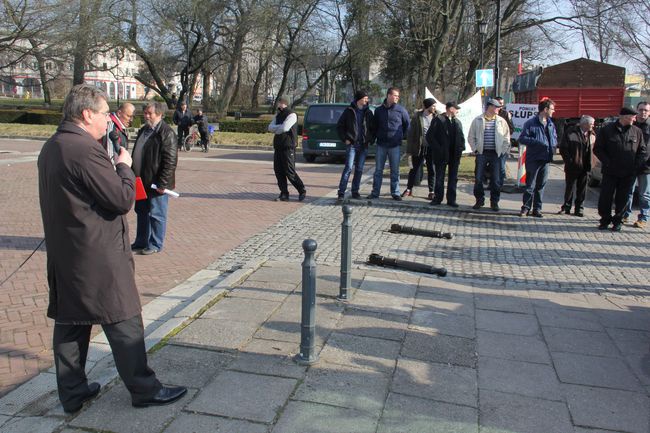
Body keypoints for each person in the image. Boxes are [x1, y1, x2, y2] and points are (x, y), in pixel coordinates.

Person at [37, 84, 186, 414]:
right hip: (97, 255)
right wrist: (122, 164)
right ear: (87, 113)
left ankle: (73, 392)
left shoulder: (52, 146)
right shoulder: (83, 149)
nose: (109, 121)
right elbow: (121, 199)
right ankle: (144, 388)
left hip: (67, 254)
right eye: (105, 114)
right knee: (124, 320)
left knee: (71, 324)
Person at [131, 101, 178, 254]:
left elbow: (170, 161)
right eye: (145, 113)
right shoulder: (144, 130)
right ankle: (141, 240)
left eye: (149, 113)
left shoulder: (166, 133)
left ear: (159, 114)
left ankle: (156, 243)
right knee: (141, 211)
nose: (146, 116)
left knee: (157, 213)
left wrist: (162, 183)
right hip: (141, 180)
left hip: (155, 182)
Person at [594, 106, 647, 232]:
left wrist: (636, 166)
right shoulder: (607, 130)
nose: (634, 119)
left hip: (628, 173)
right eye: (632, 117)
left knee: (623, 199)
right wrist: (607, 162)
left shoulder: (637, 131)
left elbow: (642, 151)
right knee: (606, 197)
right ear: (624, 117)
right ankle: (605, 220)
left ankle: (618, 221)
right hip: (610, 171)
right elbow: (598, 149)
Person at [467, 99, 511, 211]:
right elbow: (471, 136)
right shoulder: (478, 120)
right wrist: (475, 149)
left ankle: (494, 202)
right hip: (482, 153)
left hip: (496, 154)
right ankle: (479, 200)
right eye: (497, 106)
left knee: (496, 179)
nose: (499, 109)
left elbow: (506, 137)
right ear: (490, 107)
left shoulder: (501, 121)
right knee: (478, 178)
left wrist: (503, 150)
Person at [368, 87, 410, 200]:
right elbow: (374, 126)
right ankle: (375, 192)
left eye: (398, 96)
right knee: (378, 170)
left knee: (395, 171)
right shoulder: (378, 110)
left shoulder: (401, 110)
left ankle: (395, 193)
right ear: (388, 96)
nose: (397, 98)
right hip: (381, 144)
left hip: (395, 145)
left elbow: (407, 125)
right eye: (395, 95)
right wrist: (374, 137)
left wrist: (401, 137)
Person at [518, 98, 558, 217]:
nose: (553, 111)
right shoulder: (531, 123)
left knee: (541, 185)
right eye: (552, 109)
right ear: (545, 109)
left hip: (546, 159)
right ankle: (525, 208)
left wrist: (553, 146)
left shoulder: (551, 123)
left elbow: (554, 137)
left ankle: (537, 209)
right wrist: (538, 141)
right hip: (534, 159)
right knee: (530, 185)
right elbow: (522, 138)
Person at [336, 89, 374, 201]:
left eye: (367, 98)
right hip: (352, 144)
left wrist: (370, 139)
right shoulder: (349, 111)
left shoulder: (368, 112)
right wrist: (345, 139)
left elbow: (373, 128)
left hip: (363, 145)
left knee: (359, 169)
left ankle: (355, 191)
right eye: (365, 98)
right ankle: (341, 192)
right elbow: (339, 126)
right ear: (359, 99)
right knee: (348, 167)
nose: (367, 100)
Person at [426, 101, 465, 207]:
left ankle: (451, 199)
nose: (457, 111)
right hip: (441, 154)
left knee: (453, 178)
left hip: (454, 154)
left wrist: (461, 149)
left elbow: (461, 138)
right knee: (440, 177)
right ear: (450, 109)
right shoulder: (438, 120)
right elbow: (430, 136)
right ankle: (438, 198)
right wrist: (438, 149)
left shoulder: (457, 122)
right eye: (456, 108)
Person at [268, 97, 306, 201]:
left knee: (289, 171)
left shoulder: (292, 114)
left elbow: (285, 128)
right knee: (278, 171)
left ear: (282, 103)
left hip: (288, 147)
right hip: (278, 146)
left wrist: (277, 128)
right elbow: (270, 127)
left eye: (278, 102)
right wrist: (278, 128)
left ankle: (301, 189)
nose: (277, 105)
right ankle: (284, 193)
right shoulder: (278, 115)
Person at [558, 115, 595, 217]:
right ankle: (566, 207)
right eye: (591, 124)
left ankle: (579, 208)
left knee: (582, 189)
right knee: (570, 187)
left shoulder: (592, 135)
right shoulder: (571, 132)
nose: (593, 126)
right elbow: (563, 148)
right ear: (584, 124)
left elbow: (595, 150)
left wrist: (593, 163)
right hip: (573, 166)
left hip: (586, 167)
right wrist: (569, 161)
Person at [622, 101, 650, 228]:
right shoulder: (631, 125)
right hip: (631, 164)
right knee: (628, 191)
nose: (643, 112)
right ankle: (625, 215)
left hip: (646, 165)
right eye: (641, 109)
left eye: (646, 110)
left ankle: (643, 218)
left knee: (644, 194)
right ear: (637, 110)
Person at [403, 98, 436, 199]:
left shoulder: (437, 116)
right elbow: (411, 134)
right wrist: (410, 150)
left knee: (432, 170)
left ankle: (432, 191)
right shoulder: (418, 117)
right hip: (419, 147)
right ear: (427, 106)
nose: (435, 108)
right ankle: (408, 189)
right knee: (414, 169)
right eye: (433, 106)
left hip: (432, 148)